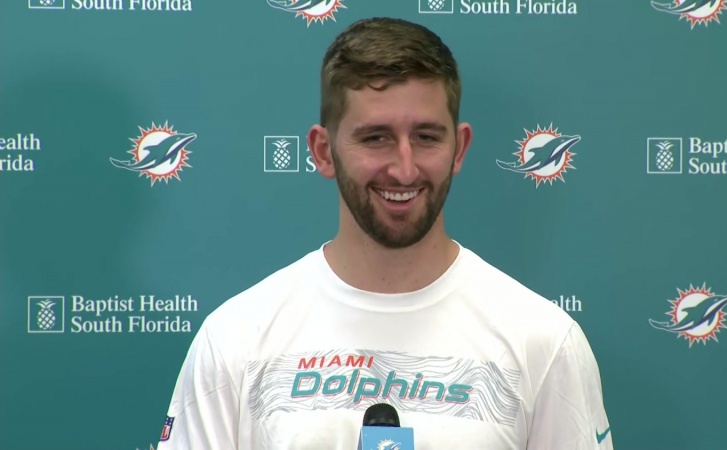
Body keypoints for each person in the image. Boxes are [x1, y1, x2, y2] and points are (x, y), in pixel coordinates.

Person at [156, 17, 613, 450]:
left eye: (427, 137)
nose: (404, 169)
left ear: (459, 148)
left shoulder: (543, 342)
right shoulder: (236, 338)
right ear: (323, 151)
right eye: (376, 137)